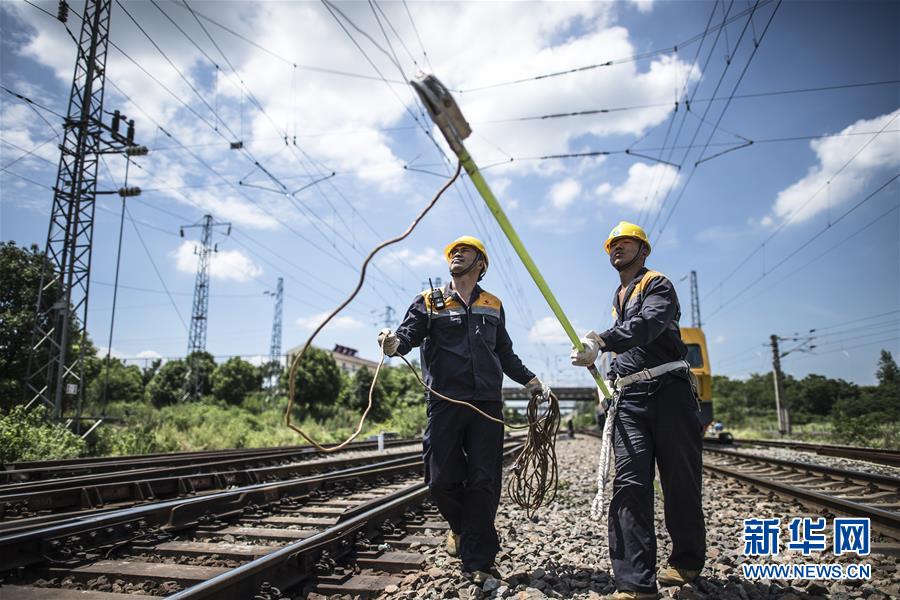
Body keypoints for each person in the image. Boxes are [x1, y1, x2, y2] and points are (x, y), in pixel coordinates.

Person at [377, 235, 544, 577]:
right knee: (440, 480)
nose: (456, 254)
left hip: (486, 404)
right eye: (452, 252)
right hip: (445, 403)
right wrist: (394, 343)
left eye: (464, 251)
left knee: (484, 480)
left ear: (480, 263)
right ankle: (461, 527)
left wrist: (530, 380)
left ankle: (479, 562)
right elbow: (407, 338)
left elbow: (504, 352)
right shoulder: (429, 302)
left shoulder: (493, 304)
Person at [570, 221, 706, 600]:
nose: (617, 248)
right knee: (629, 486)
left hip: (669, 393)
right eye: (613, 244)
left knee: (680, 481)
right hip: (630, 401)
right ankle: (635, 584)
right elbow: (629, 348)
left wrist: (601, 340)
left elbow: (647, 327)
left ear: (643, 250)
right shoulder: (620, 295)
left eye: (626, 243)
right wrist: (608, 379)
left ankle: (687, 560)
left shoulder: (657, 285)